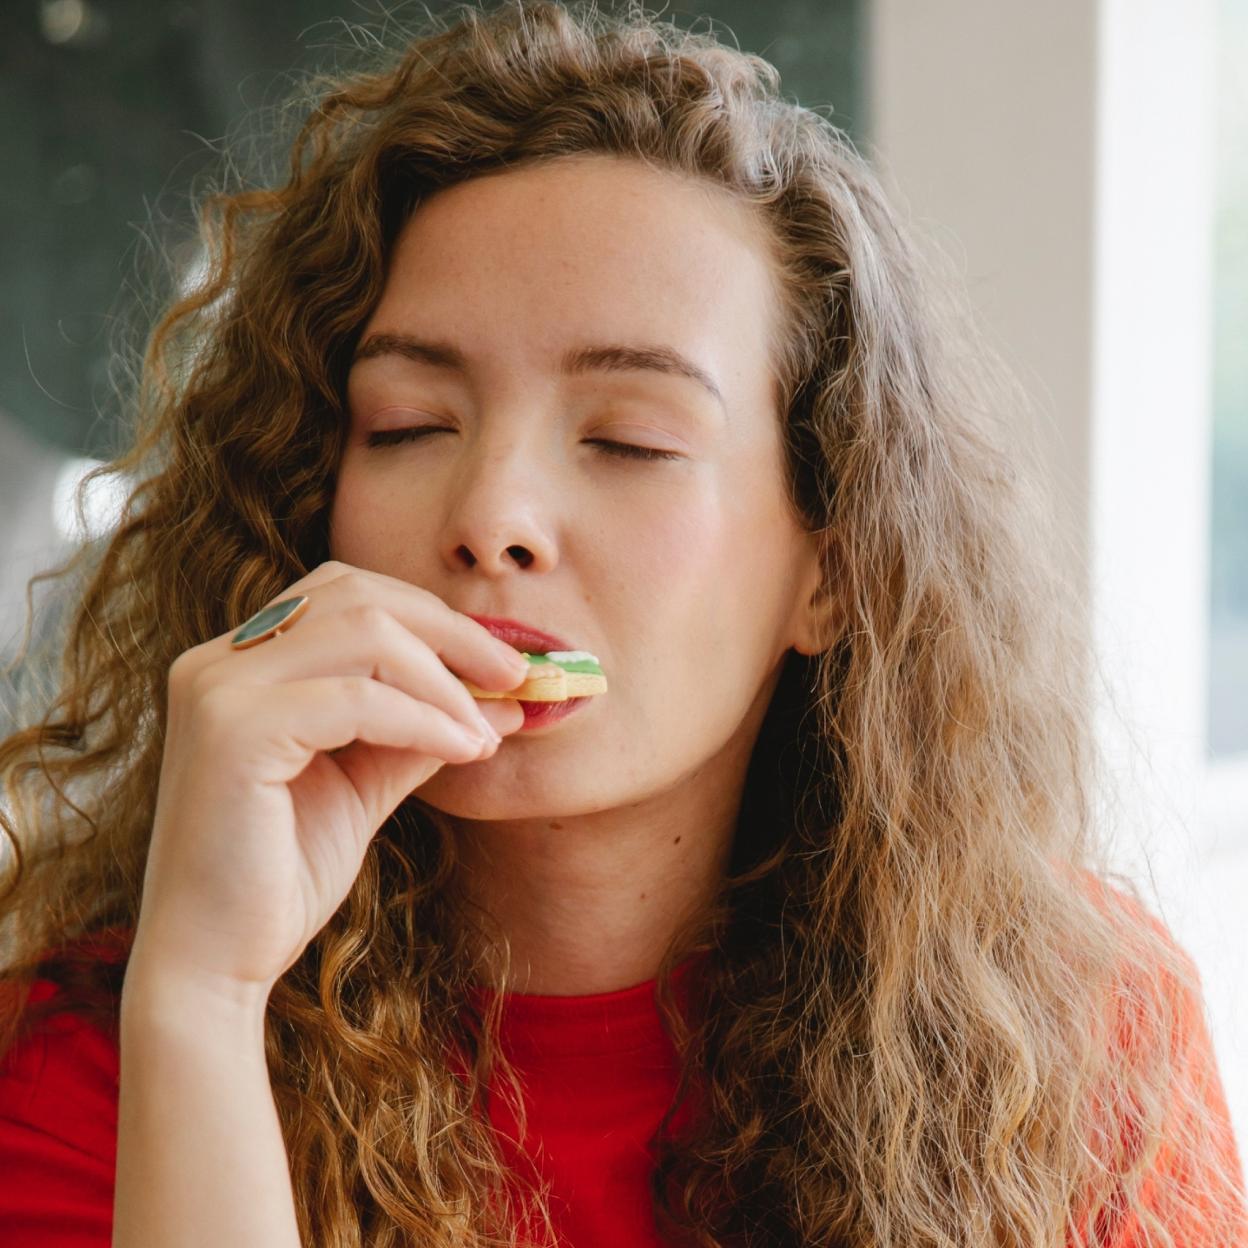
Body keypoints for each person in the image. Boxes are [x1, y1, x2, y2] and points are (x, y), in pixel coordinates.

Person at [1, 1, 1245, 1245]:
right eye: (408, 428)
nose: (492, 516)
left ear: (834, 566)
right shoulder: (104, 1062)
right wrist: (206, 1001)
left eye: (629, 440)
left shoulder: (1079, 1046)